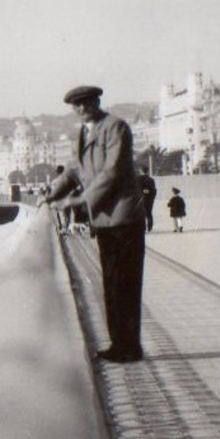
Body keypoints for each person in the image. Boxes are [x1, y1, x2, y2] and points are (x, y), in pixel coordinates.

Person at [42, 84, 146, 364]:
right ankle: (119, 344)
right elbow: (76, 169)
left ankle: (130, 347)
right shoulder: (86, 131)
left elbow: (113, 171)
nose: (81, 108)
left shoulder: (115, 127)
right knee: (112, 282)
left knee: (125, 283)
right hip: (106, 219)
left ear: (97, 101)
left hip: (123, 217)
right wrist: (54, 190)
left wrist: (79, 201)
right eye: (76, 105)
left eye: (86, 103)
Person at [138, 168, 158, 232]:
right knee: (149, 213)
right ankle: (149, 226)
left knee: (141, 214)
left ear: (140, 171)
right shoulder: (151, 180)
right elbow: (154, 191)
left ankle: (143, 227)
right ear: (147, 171)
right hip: (149, 199)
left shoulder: (137, 179)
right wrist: (152, 197)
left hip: (140, 199)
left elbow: (135, 189)